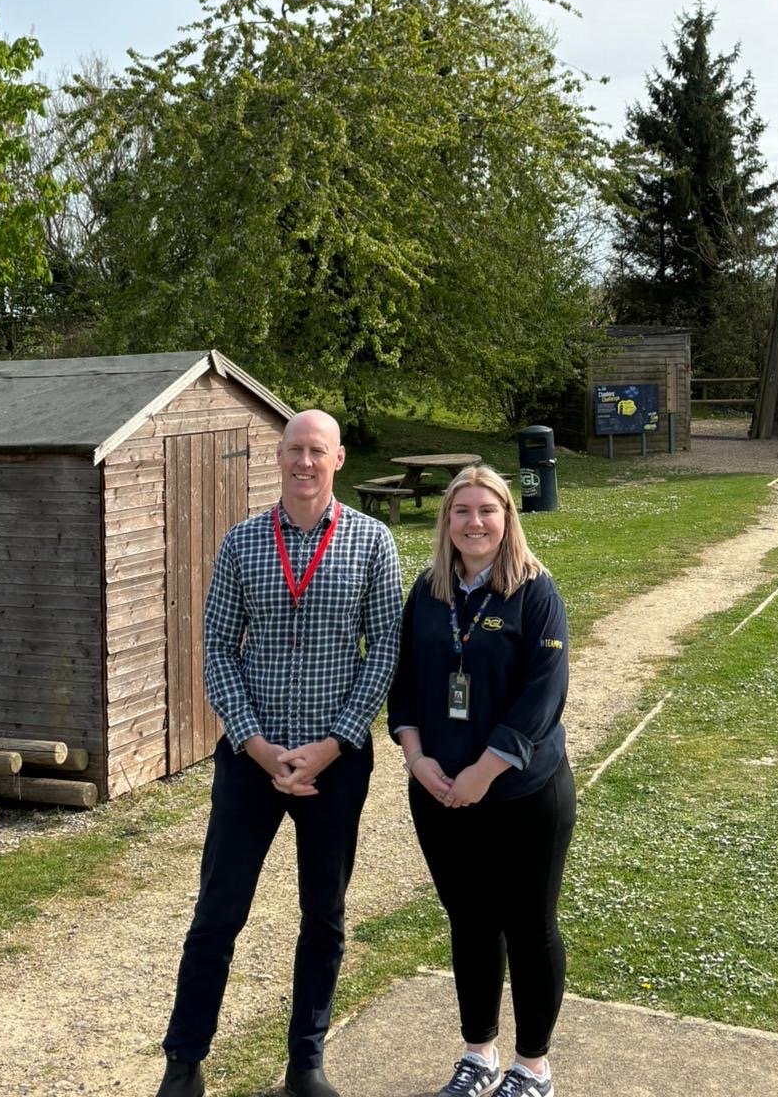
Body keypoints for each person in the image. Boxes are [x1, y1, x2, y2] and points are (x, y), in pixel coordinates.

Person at [154, 409, 402, 1097]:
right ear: (279, 455)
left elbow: (384, 648)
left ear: (338, 459)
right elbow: (217, 648)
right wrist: (259, 747)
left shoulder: (373, 541)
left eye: (317, 451)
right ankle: (184, 1063)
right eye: (295, 449)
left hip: (335, 762)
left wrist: (333, 744)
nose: (304, 462)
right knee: (218, 912)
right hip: (251, 760)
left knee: (324, 915)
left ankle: (306, 1064)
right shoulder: (242, 542)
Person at [388, 466, 574, 1097]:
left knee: (528, 926)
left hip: (523, 794)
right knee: (469, 922)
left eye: (487, 510)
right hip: (440, 791)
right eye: (461, 511)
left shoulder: (535, 591)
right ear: (447, 521)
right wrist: (417, 759)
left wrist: (483, 772)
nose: (474, 522)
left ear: (506, 519)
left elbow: (542, 696)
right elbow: (404, 681)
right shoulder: (428, 591)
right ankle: (479, 1056)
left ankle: (532, 1067)